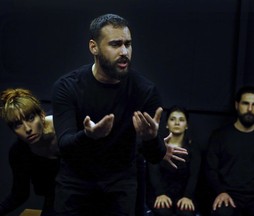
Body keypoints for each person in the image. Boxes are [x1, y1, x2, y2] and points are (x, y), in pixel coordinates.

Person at [51, 13, 187, 216]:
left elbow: (154, 156)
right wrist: (89, 136)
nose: (124, 51)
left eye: (128, 44)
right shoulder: (67, 86)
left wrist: (151, 139)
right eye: (115, 44)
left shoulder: (145, 91)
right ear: (93, 47)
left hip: (119, 187)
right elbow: (65, 144)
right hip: (75, 185)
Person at [206, 85, 254, 216]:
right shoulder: (219, 136)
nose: (250, 109)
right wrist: (220, 191)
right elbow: (210, 169)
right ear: (237, 105)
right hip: (229, 197)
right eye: (245, 103)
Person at [0, 88, 59, 216]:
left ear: (42, 116)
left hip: (92, 189)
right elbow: (19, 193)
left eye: (31, 118)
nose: (27, 129)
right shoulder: (19, 153)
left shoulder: (65, 125)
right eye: (18, 124)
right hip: (56, 198)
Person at [146, 106, 201, 216]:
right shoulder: (159, 146)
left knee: (186, 212)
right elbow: (153, 171)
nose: (177, 123)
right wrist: (160, 193)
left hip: (184, 195)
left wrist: (187, 196)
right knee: (163, 211)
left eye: (181, 120)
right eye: (172, 119)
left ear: (186, 125)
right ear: (166, 124)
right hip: (160, 194)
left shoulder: (194, 149)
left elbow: (194, 175)